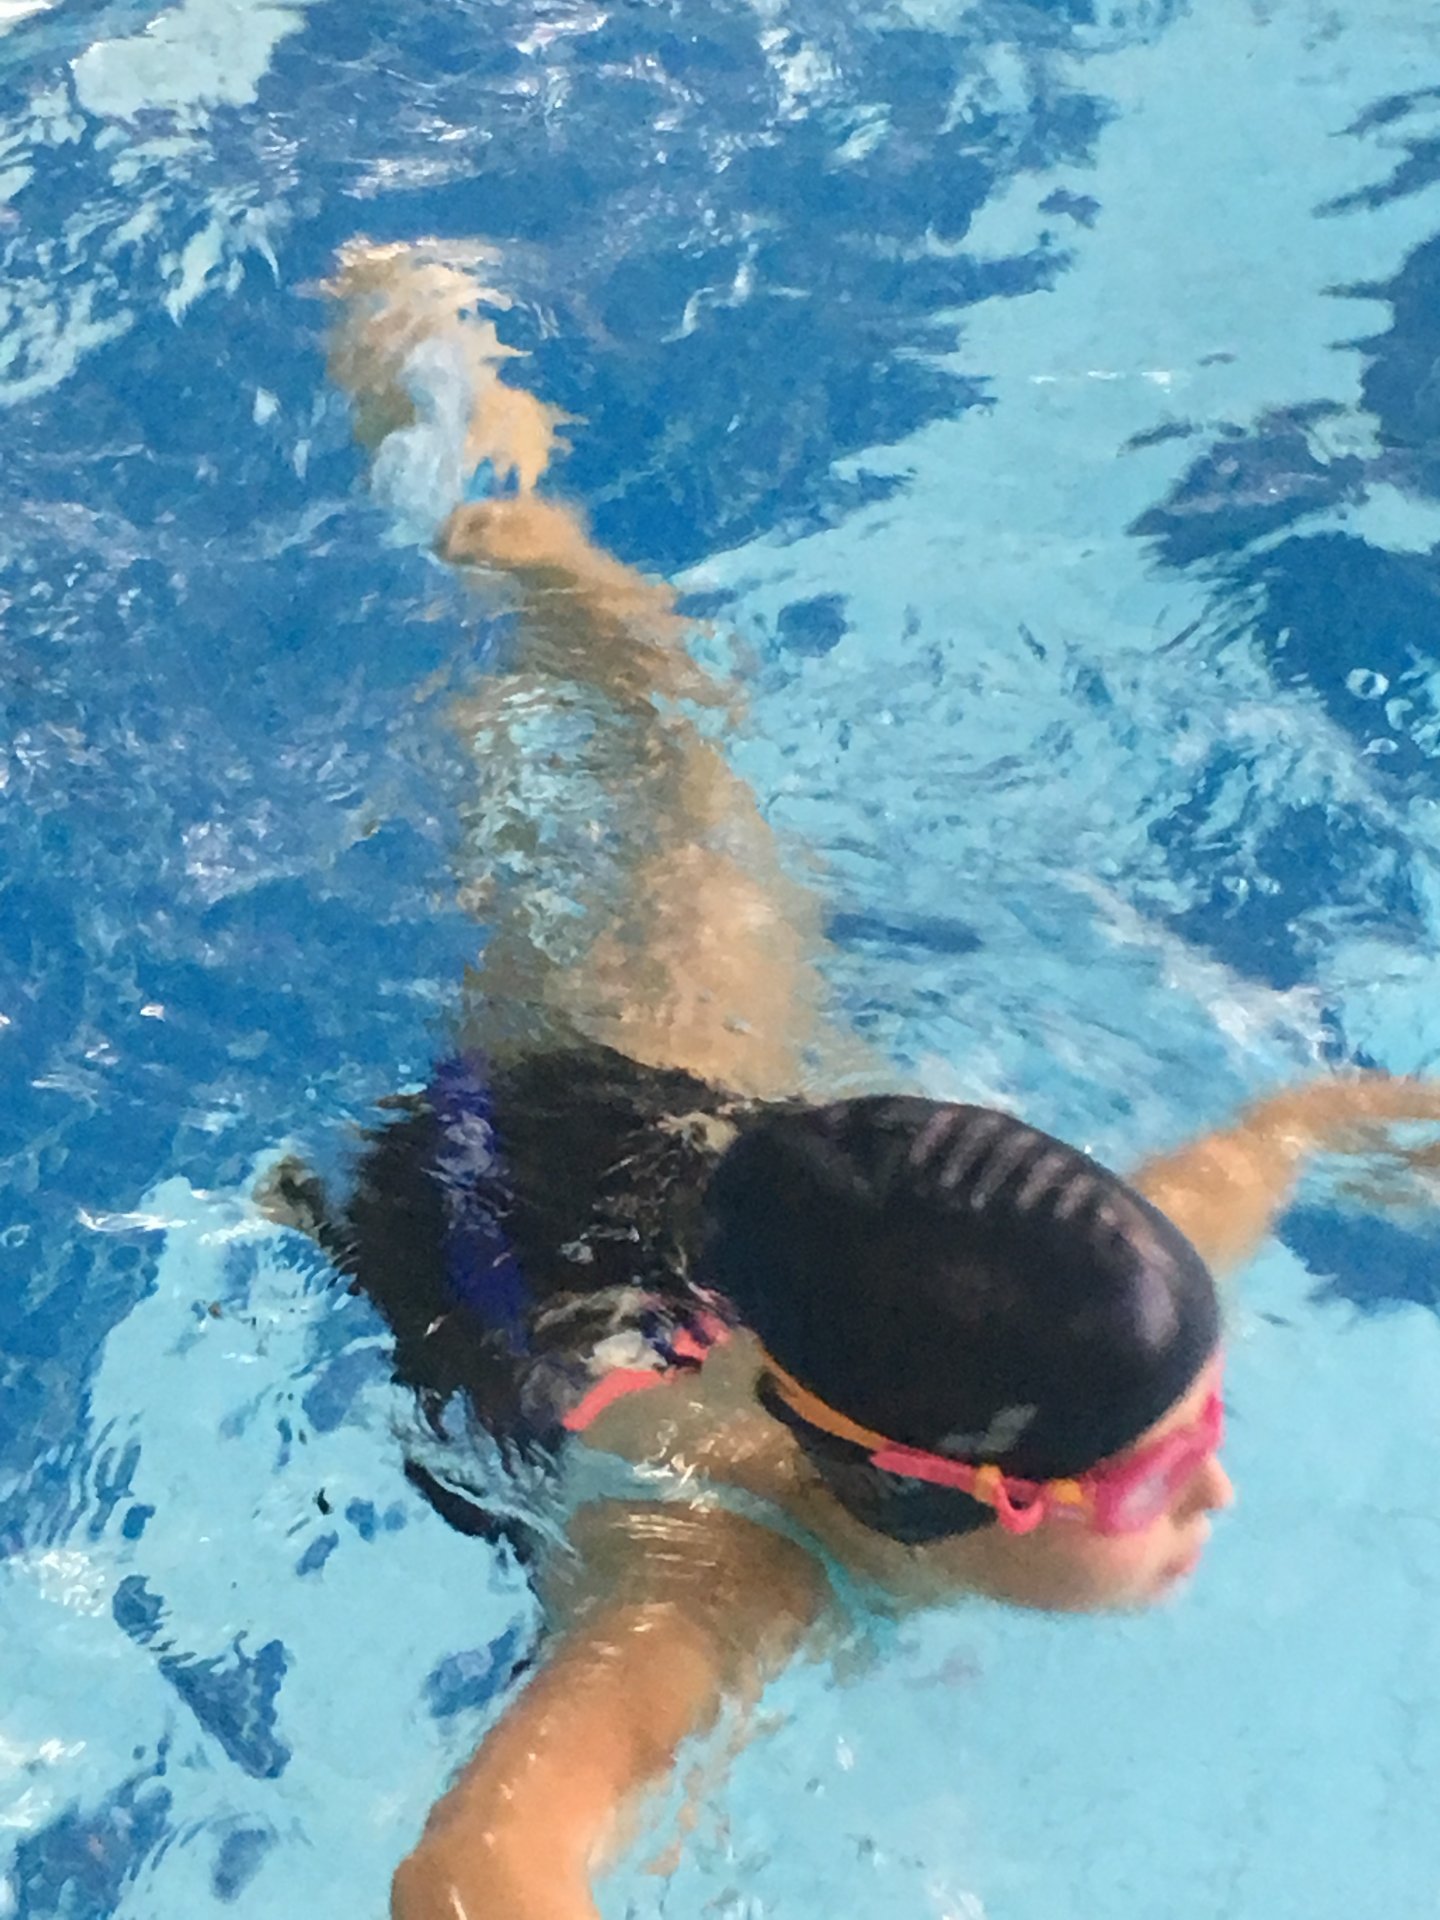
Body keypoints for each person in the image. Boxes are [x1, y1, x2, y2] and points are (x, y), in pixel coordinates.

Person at [306, 240, 1440, 1920]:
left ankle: (503, 493)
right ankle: (419, 389)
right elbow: (478, 1868)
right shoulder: (717, 1577)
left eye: (1197, 1418)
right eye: (1151, 1471)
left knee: (687, 765)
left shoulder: (1083, 1319)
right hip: (495, 1240)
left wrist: (1343, 1130)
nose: (1219, 1483)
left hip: (712, 1141)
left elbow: (1272, 1142)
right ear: (946, 1488)